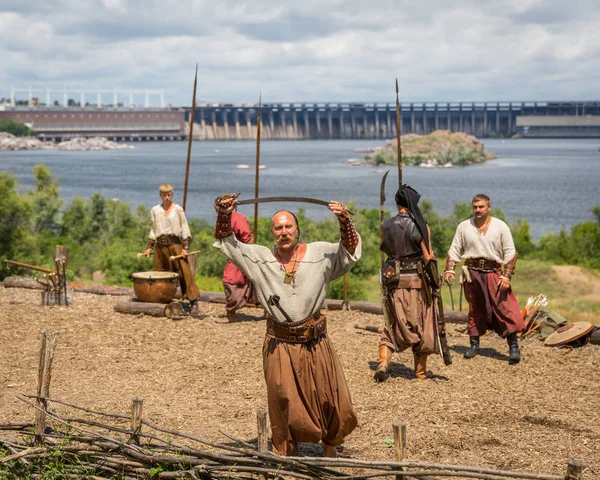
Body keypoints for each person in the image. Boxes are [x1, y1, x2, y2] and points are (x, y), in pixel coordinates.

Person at [213, 194, 361, 457]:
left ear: (297, 229)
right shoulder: (259, 259)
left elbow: (348, 250)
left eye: (288, 226)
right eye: (278, 228)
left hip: (316, 342)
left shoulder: (320, 253)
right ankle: (286, 448)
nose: (284, 232)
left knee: (327, 396)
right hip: (279, 343)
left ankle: (330, 446)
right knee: (283, 398)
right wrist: (224, 215)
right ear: (272, 233)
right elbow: (228, 243)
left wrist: (345, 221)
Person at [443, 193, 524, 364]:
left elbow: (510, 252)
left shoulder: (500, 226)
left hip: (494, 272)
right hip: (472, 273)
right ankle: (474, 345)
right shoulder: (464, 226)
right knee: (475, 308)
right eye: (475, 207)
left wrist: (506, 276)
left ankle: (513, 348)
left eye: (481, 207)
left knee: (505, 308)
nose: (478, 210)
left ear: (489, 208)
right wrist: (449, 270)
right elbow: (455, 249)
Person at [374, 185, 438, 382]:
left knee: (393, 322)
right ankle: (419, 372)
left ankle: (384, 363)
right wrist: (436, 280)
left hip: (392, 283)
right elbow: (428, 257)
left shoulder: (385, 225)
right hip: (416, 284)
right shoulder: (420, 225)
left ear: (397, 203)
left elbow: (386, 252)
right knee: (420, 323)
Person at [143, 184, 201, 316]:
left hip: (176, 246)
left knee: (185, 273)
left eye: (169, 194)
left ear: (172, 195)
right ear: (160, 196)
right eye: (164, 195)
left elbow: (185, 228)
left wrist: (185, 248)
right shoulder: (155, 210)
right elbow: (153, 229)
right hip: (160, 247)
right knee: (161, 274)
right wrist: (148, 248)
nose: (167, 197)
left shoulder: (178, 210)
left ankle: (194, 302)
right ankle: (163, 300)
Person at [221, 210, 258, 322]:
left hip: (240, 254)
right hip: (232, 255)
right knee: (230, 280)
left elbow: (246, 237)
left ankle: (231, 311)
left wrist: (247, 256)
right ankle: (231, 312)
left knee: (231, 280)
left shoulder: (238, 218)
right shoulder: (223, 219)